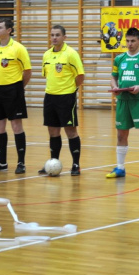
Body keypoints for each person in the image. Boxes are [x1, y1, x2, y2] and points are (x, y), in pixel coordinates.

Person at [106, 27, 139, 180]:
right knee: (121, 135)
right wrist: (114, 87)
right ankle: (120, 168)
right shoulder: (119, 59)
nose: (129, 44)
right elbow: (113, 77)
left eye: (133, 41)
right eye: (127, 41)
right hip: (123, 101)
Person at [0, 18, 31, 174]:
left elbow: (28, 72)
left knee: (16, 126)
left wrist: (18, 88)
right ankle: (2, 162)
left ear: (9, 30)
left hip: (14, 90)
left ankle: (21, 162)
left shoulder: (18, 48)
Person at [39, 25, 85, 176]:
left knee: (70, 131)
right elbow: (47, 76)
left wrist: (71, 89)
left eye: (57, 35)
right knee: (53, 132)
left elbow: (80, 76)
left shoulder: (71, 54)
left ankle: (76, 164)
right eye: (52, 35)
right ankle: (53, 163)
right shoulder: (46, 55)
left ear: (64, 37)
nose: (54, 37)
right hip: (50, 97)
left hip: (66, 97)